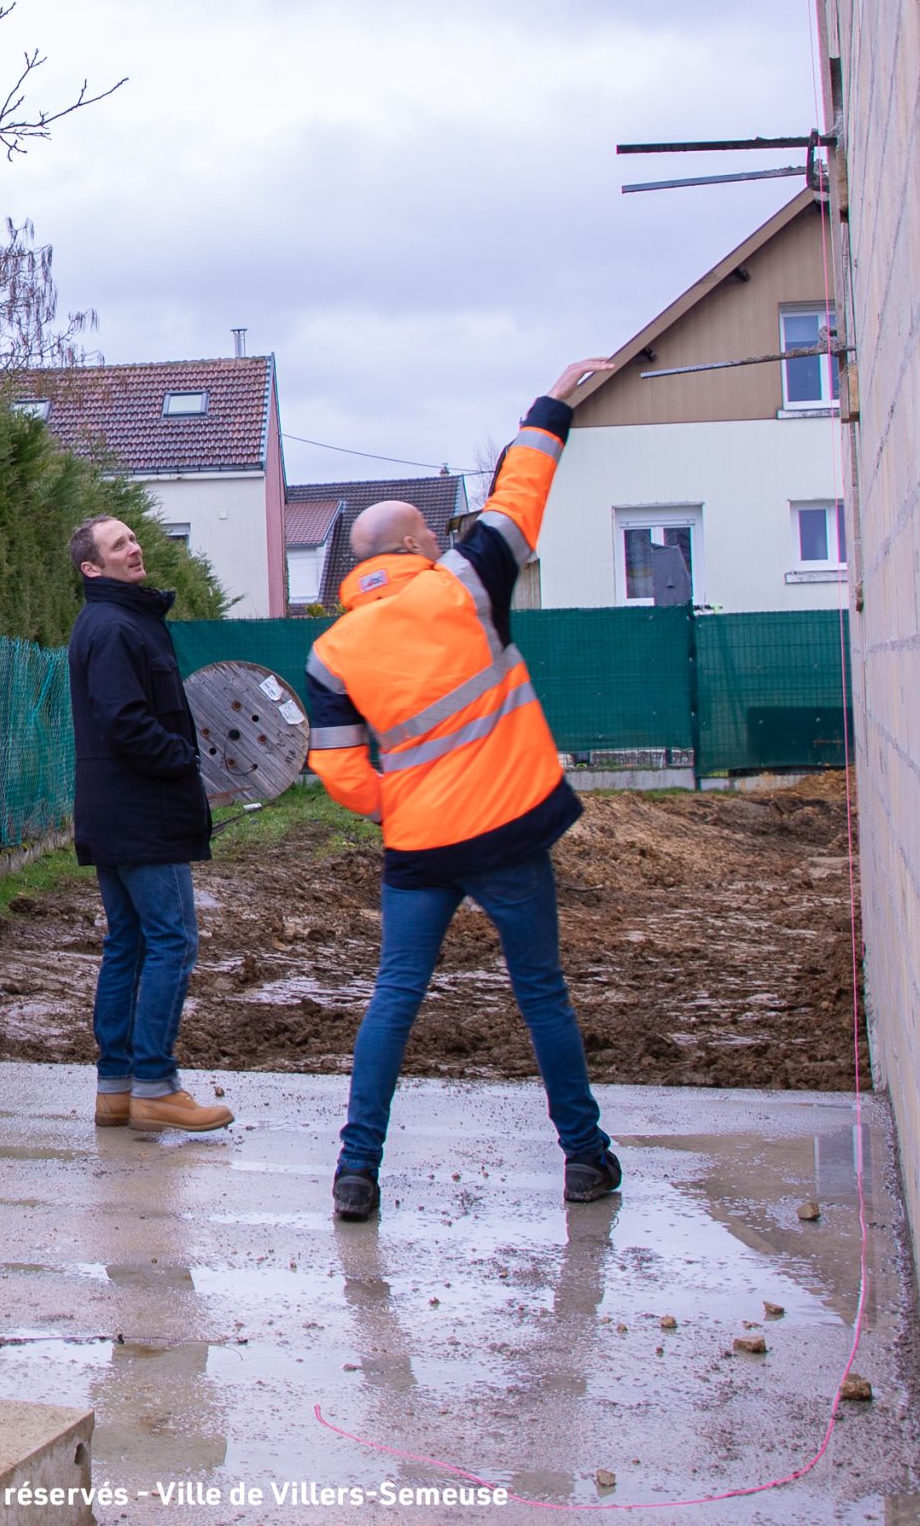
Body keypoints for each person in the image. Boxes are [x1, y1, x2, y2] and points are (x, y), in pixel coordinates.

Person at [304, 357, 623, 1223]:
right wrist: (550, 406)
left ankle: (355, 1171)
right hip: (508, 833)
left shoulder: (331, 652)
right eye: (430, 531)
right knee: (541, 991)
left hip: (418, 848)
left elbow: (339, 770)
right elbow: (520, 496)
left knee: (395, 996)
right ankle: (584, 1157)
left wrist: (400, 805)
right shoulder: (465, 584)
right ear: (414, 547)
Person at [66, 515, 232, 1132]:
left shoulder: (119, 620)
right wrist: (183, 759)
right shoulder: (113, 626)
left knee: (130, 943)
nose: (134, 548)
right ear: (92, 566)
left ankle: (117, 1090)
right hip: (142, 814)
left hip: (122, 812)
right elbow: (125, 722)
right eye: (119, 545)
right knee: (171, 941)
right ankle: (156, 1085)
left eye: (133, 539)